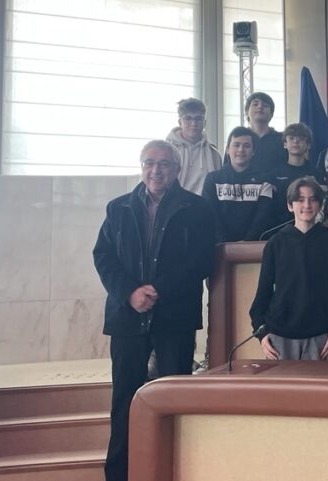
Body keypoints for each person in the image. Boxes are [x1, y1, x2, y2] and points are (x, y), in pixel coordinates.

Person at [93, 140, 215, 481]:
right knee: (125, 402)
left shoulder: (197, 209)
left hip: (174, 318)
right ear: (142, 167)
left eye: (164, 164)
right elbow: (103, 257)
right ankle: (120, 474)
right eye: (149, 163)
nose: (156, 170)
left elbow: (203, 260)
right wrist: (130, 292)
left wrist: (158, 290)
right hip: (127, 317)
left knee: (176, 400)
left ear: (177, 169)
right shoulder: (118, 208)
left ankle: (175, 471)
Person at [250, 177, 328, 361]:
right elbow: (262, 295)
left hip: (319, 336)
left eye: (312, 199)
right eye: (300, 200)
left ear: (320, 205)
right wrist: (262, 333)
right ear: (290, 206)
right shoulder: (275, 243)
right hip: (278, 336)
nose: (307, 205)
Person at [201, 126, 274, 242]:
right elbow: (210, 214)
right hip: (219, 246)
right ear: (227, 149)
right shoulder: (212, 179)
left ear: (253, 151)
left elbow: (262, 217)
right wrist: (225, 243)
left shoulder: (265, 180)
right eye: (236, 145)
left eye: (247, 146)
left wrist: (246, 243)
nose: (241, 150)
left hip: (252, 246)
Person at [263, 122, 321, 237]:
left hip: (310, 230)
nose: (296, 141)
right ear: (285, 144)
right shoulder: (273, 175)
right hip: (278, 231)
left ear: (308, 145)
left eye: (301, 138)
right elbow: (267, 208)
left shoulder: (316, 175)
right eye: (291, 138)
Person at [166, 98, 221, 195]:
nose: (193, 123)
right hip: (176, 202)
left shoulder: (214, 154)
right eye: (188, 118)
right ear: (180, 122)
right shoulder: (167, 151)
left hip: (205, 203)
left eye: (198, 119)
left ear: (204, 123)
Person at [246, 92, 287, 173]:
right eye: (255, 104)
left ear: (271, 114)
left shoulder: (282, 139)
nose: (260, 107)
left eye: (265, 105)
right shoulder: (238, 139)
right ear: (247, 112)